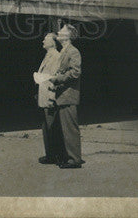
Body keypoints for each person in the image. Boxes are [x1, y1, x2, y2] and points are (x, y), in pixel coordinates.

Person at [50, 24, 83, 168]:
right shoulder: (63, 51)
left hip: (68, 96)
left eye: (61, 31)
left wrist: (58, 79)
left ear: (68, 36)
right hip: (61, 95)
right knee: (63, 128)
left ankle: (74, 159)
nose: (58, 32)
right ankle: (67, 156)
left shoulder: (73, 52)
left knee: (70, 129)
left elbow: (75, 72)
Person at [33, 32, 61, 164]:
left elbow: (54, 77)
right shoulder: (48, 55)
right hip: (43, 96)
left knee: (52, 127)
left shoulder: (56, 56)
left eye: (46, 39)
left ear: (53, 42)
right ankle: (50, 154)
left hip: (49, 96)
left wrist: (52, 97)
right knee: (46, 127)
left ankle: (55, 155)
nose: (43, 40)